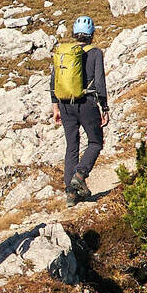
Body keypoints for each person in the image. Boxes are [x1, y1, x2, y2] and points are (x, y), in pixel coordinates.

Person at [51, 16, 109, 202]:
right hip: (87, 103)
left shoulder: (63, 51)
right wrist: (104, 107)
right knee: (95, 142)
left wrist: (55, 106)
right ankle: (80, 175)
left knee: (72, 146)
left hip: (65, 104)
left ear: (74, 34)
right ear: (92, 34)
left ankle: (70, 194)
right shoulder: (95, 53)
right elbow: (99, 82)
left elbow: (54, 81)